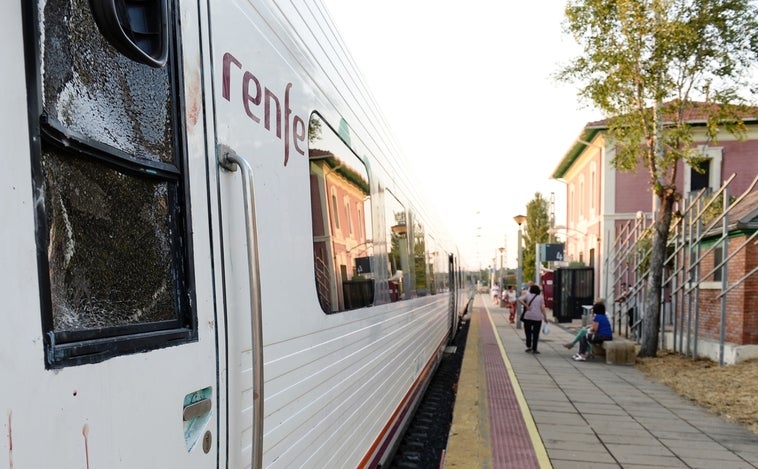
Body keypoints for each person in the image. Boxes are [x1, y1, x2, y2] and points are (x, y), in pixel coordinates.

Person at [519, 284, 547, 354]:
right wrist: (545, 317)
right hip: (537, 317)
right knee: (536, 333)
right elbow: (543, 308)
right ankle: (534, 348)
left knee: (527, 332)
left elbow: (519, 299)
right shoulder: (540, 297)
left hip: (528, 317)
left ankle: (528, 346)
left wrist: (526, 305)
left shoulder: (527, 296)